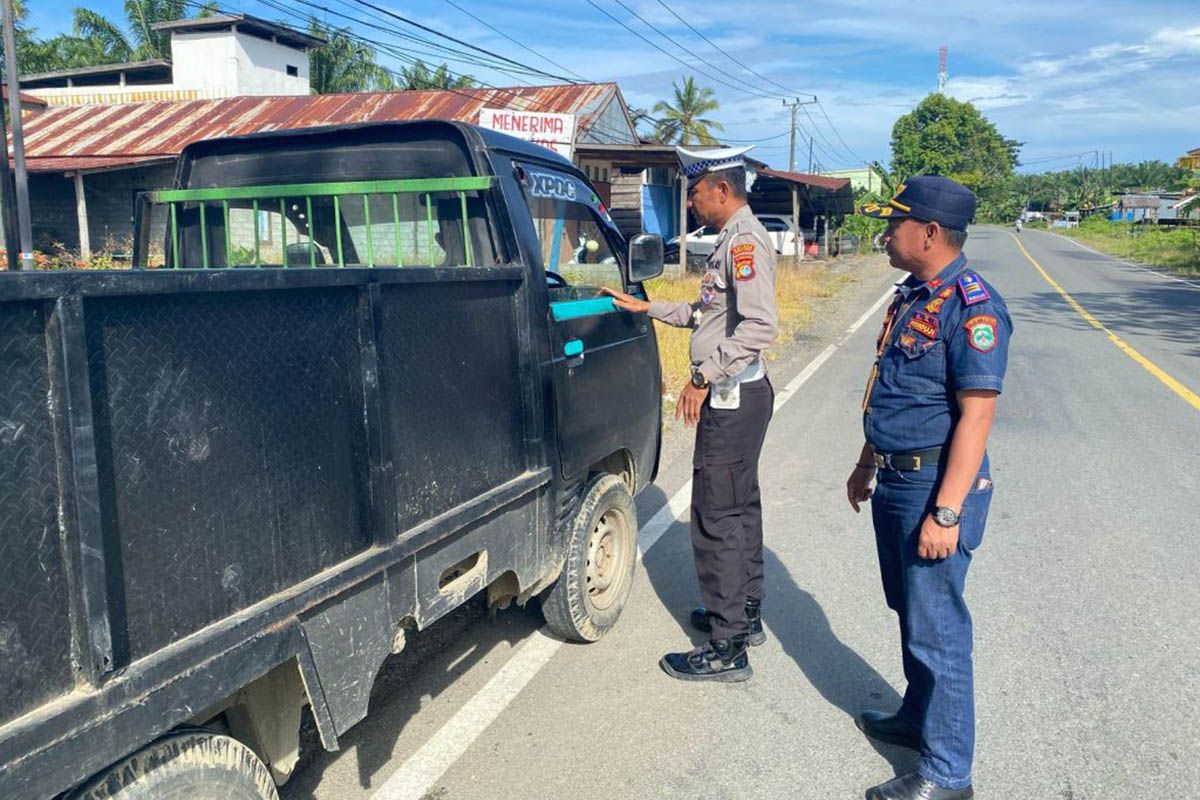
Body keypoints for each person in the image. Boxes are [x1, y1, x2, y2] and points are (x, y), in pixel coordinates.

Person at [848, 176, 1012, 800]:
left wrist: (946, 513)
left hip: (935, 487)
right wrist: (867, 461)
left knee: (938, 629)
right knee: (910, 612)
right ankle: (919, 717)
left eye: (895, 224)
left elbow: (977, 415)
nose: (885, 234)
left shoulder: (973, 306)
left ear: (930, 233)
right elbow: (891, 390)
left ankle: (949, 776)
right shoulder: (914, 296)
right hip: (895, 476)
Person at [603, 145, 778, 683]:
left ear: (721, 190)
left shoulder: (744, 242)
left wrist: (703, 377)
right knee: (739, 506)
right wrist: (647, 307)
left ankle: (726, 648)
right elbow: (707, 312)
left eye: (697, 193)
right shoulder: (731, 239)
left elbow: (758, 327)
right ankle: (744, 615)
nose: (694, 204)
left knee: (715, 516)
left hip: (732, 396)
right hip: (745, 395)